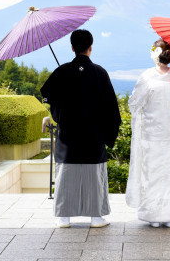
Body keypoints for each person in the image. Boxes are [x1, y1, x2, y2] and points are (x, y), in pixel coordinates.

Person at [41, 29, 121, 228]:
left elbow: (49, 96)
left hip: (68, 135)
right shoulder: (100, 72)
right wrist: (108, 135)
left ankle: (63, 218)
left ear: (72, 47)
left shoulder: (62, 71)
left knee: (66, 174)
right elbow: (112, 109)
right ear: (90, 48)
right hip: (93, 136)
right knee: (94, 176)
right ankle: (96, 218)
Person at [126, 38, 170, 227]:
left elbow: (134, 104)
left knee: (152, 173)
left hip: (152, 135)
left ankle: (153, 214)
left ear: (155, 54)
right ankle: (169, 214)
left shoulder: (147, 77)